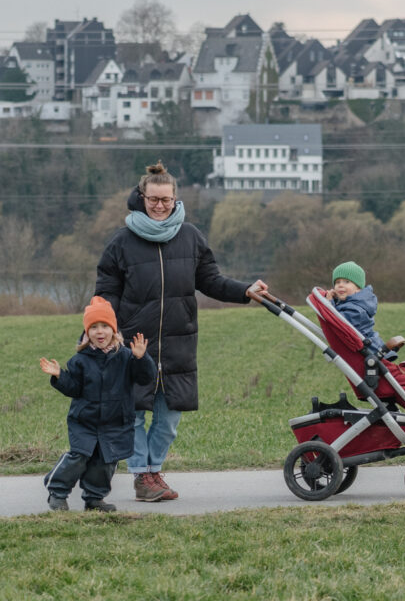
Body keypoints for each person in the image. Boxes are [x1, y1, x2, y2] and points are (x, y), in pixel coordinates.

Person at [95, 162, 268, 503]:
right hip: (134, 344)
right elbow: (105, 293)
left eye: (166, 200)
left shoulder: (191, 237)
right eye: (153, 199)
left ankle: (152, 469)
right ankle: (143, 476)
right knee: (132, 415)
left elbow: (211, 281)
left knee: (169, 417)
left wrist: (245, 290)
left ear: (176, 199)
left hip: (179, 341)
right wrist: (103, 330)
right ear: (141, 197)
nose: (160, 205)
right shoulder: (122, 241)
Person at [40, 295, 156, 512]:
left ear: (114, 329)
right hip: (85, 420)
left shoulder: (126, 357)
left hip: (115, 421)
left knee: (105, 462)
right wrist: (59, 376)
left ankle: (94, 499)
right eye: (94, 327)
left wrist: (142, 358)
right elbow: (74, 388)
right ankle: (57, 492)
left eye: (104, 326)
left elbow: (145, 378)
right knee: (79, 456)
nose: (99, 332)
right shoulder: (80, 360)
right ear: (87, 332)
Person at [323, 261, 404, 360]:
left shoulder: (357, 309)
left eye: (346, 282)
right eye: (337, 282)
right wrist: (335, 300)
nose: (340, 285)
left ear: (358, 288)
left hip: (371, 351)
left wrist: (330, 303)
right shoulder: (352, 303)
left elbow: (339, 322)